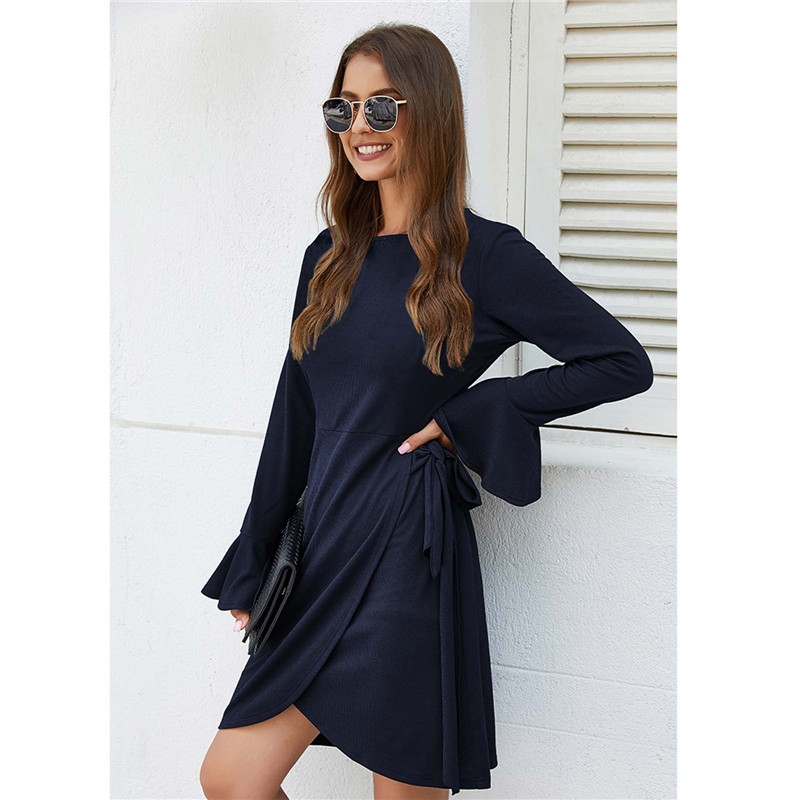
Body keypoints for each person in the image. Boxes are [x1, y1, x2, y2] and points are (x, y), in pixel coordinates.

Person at [199, 22, 654, 800]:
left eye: (382, 106)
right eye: (343, 109)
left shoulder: (487, 255)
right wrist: (256, 553)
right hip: (325, 544)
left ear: (430, 112)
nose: (360, 127)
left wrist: (471, 411)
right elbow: (294, 417)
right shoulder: (328, 256)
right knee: (232, 780)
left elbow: (620, 362)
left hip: (408, 549)